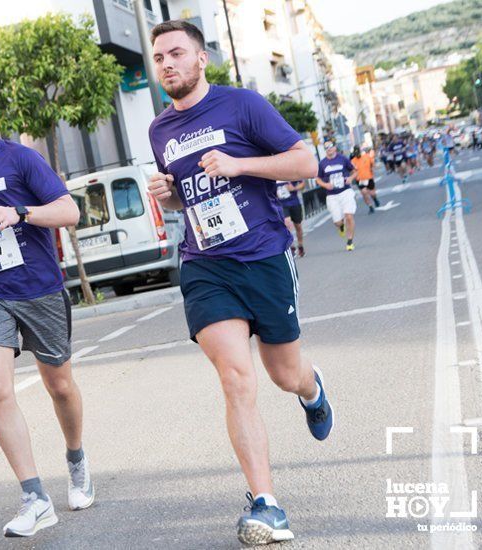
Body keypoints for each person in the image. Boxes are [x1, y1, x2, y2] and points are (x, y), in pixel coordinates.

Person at [148, 20, 333, 546]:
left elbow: (305, 160)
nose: (167, 65)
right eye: (159, 57)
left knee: (284, 375)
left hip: (263, 256)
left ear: (201, 58)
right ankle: (267, 504)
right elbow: (189, 195)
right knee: (235, 376)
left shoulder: (243, 105)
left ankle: (312, 388)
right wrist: (170, 194)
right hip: (206, 262)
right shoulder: (160, 129)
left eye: (177, 53)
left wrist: (239, 163)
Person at [0, 80, 92, 538]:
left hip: (40, 288)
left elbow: (70, 212)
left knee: (60, 385)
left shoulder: (22, 158)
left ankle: (76, 458)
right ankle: (34, 496)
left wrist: (21, 213)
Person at [317, 142, 358, 251]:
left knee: (349, 216)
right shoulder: (322, 163)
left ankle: (350, 241)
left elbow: (354, 171)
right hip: (332, 195)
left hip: (345, 191)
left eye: (330, 146)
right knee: (337, 221)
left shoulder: (343, 159)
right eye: (326, 148)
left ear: (335, 148)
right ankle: (341, 226)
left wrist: (350, 178)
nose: (329, 149)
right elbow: (317, 178)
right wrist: (325, 185)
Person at [275, 181, 306, 257]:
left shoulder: (289, 172)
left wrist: (294, 188)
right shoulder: (273, 174)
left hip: (294, 203)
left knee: (298, 226)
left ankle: (300, 246)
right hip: (282, 204)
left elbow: (303, 184)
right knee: (287, 223)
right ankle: (291, 247)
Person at [351, 147, 380, 214]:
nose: (357, 154)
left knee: (372, 193)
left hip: (369, 177)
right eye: (355, 153)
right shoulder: (353, 161)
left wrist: (373, 168)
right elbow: (352, 171)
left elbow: (372, 164)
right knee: (364, 193)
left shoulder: (367, 157)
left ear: (360, 151)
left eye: (358, 152)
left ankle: (375, 199)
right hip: (360, 180)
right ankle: (370, 207)